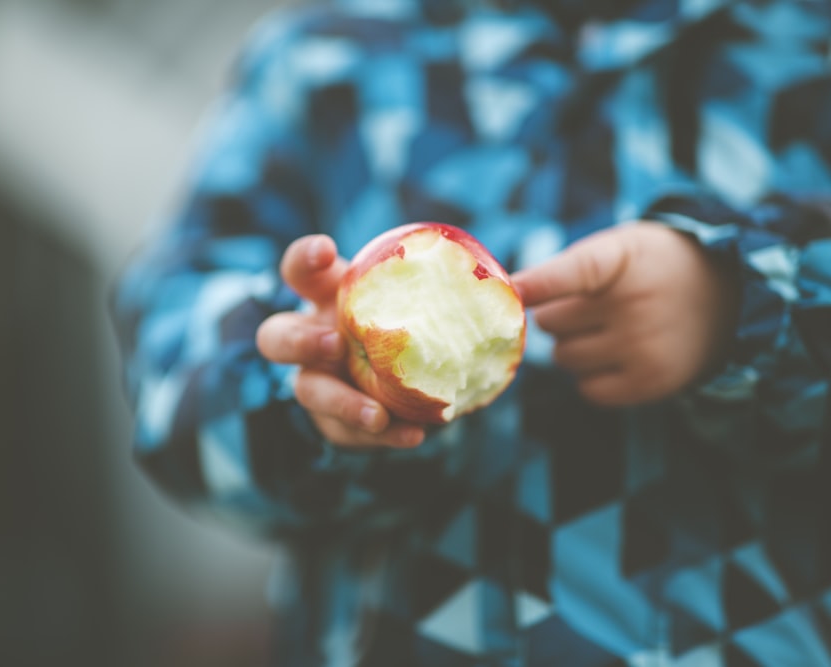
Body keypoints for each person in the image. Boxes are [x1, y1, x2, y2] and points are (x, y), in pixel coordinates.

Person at [113, 0, 831, 664]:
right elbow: (168, 351)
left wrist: (745, 302)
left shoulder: (803, 51)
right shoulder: (331, 58)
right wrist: (295, 381)